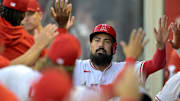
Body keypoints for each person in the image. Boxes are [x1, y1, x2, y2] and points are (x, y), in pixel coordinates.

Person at [74, 16, 169, 86]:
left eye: (106, 41)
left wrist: (160, 46)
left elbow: (156, 64)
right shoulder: (77, 67)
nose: (101, 45)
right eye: (97, 40)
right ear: (90, 46)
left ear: (114, 48)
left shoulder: (125, 68)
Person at [0, 0, 58, 66]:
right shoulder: (30, 41)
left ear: (40, 15)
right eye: (26, 14)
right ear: (22, 16)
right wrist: (39, 46)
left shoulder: (34, 39)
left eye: (30, 14)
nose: (27, 19)